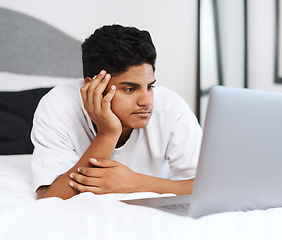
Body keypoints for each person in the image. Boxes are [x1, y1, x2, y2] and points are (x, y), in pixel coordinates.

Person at [31, 25, 202, 200]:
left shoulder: (172, 109)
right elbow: (50, 198)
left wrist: (137, 183)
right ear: (93, 86)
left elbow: (206, 185)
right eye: (129, 89)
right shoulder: (58, 109)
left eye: (150, 87)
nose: (147, 101)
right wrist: (108, 134)